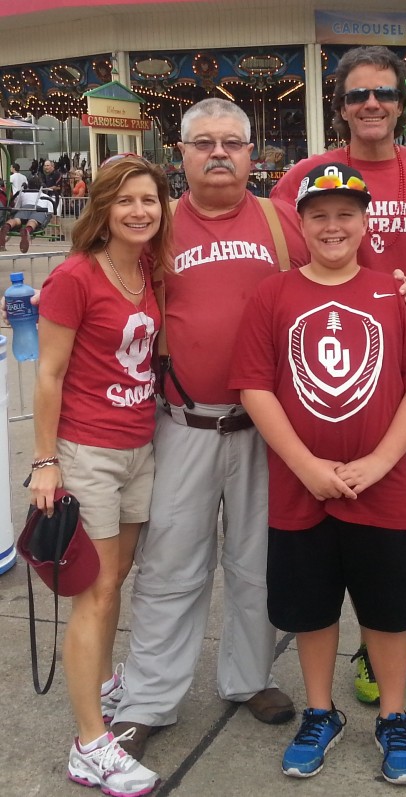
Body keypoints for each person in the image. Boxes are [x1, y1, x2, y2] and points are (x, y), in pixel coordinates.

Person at [107, 99, 307, 759]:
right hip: (182, 424)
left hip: (265, 428)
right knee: (169, 566)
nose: (218, 153)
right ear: (182, 155)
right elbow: (99, 290)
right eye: (203, 143)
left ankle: (248, 678)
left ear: (252, 155)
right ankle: (147, 699)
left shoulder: (283, 223)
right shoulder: (151, 227)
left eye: (231, 142)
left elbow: (337, 278)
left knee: (255, 566)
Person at [231, 162, 406, 784]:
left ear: (365, 221)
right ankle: (321, 711)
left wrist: (379, 461)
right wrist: (305, 465)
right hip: (302, 490)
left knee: (388, 609)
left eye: (345, 214)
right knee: (311, 610)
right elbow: (254, 387)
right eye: (319, 215)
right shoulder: (274, 294)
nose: (332, 226)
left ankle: (394, 716)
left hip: (384, 490)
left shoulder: (389, 294)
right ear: (300, 223)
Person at [273, 45, 406, 704]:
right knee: (349, 516)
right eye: (357, 95)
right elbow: (263, 237)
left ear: (401, 102)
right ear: (342, 106)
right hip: (341, 377)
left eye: (382, 92)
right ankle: (370, 638)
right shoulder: (309, 173)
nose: (371, 104)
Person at [30, 156, 170, 796]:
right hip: (87, 450)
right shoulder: (74, 277)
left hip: (140, 444)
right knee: (95, 590)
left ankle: (104, 677)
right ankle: (91, 744)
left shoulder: (146, 270)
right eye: (126, 201)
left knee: (114, 579)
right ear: (103, 208)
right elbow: (49, 375)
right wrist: (45, 461)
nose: (141, 211)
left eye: (150, 200)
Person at [0, 176, 55, 253]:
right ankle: (27, 230)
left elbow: (17, 206)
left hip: (25, 207)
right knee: (33, 221)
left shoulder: (23, 194)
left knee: (16, 220)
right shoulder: (45, 196)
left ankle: (7, 226)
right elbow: (50, 211)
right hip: (39, 209)